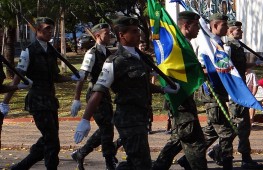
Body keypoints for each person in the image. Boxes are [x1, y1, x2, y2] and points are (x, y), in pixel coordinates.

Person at [73, 16, 180, 170]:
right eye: (134, 32)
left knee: (136, 163)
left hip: (141, 116)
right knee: (141, 163)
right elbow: (98, 90)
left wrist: (164, 89)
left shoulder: (142, 57)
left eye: (138, 31)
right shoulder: (115, 61)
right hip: (128, 118)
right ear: (122, 35)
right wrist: (85, 119)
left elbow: (142, 85)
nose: (139, 35)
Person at [2, 17, 84, 170]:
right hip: (37, 101)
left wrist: (71, 78)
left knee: (49, 140)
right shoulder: (29, 52)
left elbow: (55, 77)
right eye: (46, 28)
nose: (50, 31)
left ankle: (19, 167)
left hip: (50, 100)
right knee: (53, 142)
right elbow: (17, 78)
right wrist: (5, 102)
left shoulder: (51, 51)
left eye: (51, 29)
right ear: (37, 30)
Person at [178, 13, 235, 170]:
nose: (227, 28)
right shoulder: (207, 44)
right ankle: (226, 163)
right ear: (214, 26)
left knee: (211, 131)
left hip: (220, 92)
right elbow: (201, 69)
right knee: (226, 132)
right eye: (224, 25)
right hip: (211, 92)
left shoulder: (218, 42)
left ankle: (187, 159)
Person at [152, 11, 207, 170]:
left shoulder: (186, 43)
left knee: (178, 140)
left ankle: (158, 167)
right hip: (180, 100)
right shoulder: (177, 45)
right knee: (195, 143)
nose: (198, 29)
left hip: (185, 99)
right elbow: (170, 69)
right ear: (186, 25)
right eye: (196, 25)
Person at [206, 20, 263, 169]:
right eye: (238, 30)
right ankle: (222, 152)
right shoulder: (228, 47)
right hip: (236, 93)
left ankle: (243, 156)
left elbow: (241, 67)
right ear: (231, 32)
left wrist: (256, 63)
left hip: (241, 91)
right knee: (238, 125)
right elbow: (229, 71)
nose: (242, 32)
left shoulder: (237, 47)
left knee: (242, 126)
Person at [69, 23, 118, 170]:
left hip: (105, 94)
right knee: (107, 129)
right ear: (97, 35)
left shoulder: (107, 53)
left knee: (106, 127)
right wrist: (76, 99)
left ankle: (81, 153)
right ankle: (109, 162)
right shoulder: (91, 53)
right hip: (94, 94)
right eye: (106, 33)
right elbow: (82, 76)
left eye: (109, 33)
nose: (109, 36)